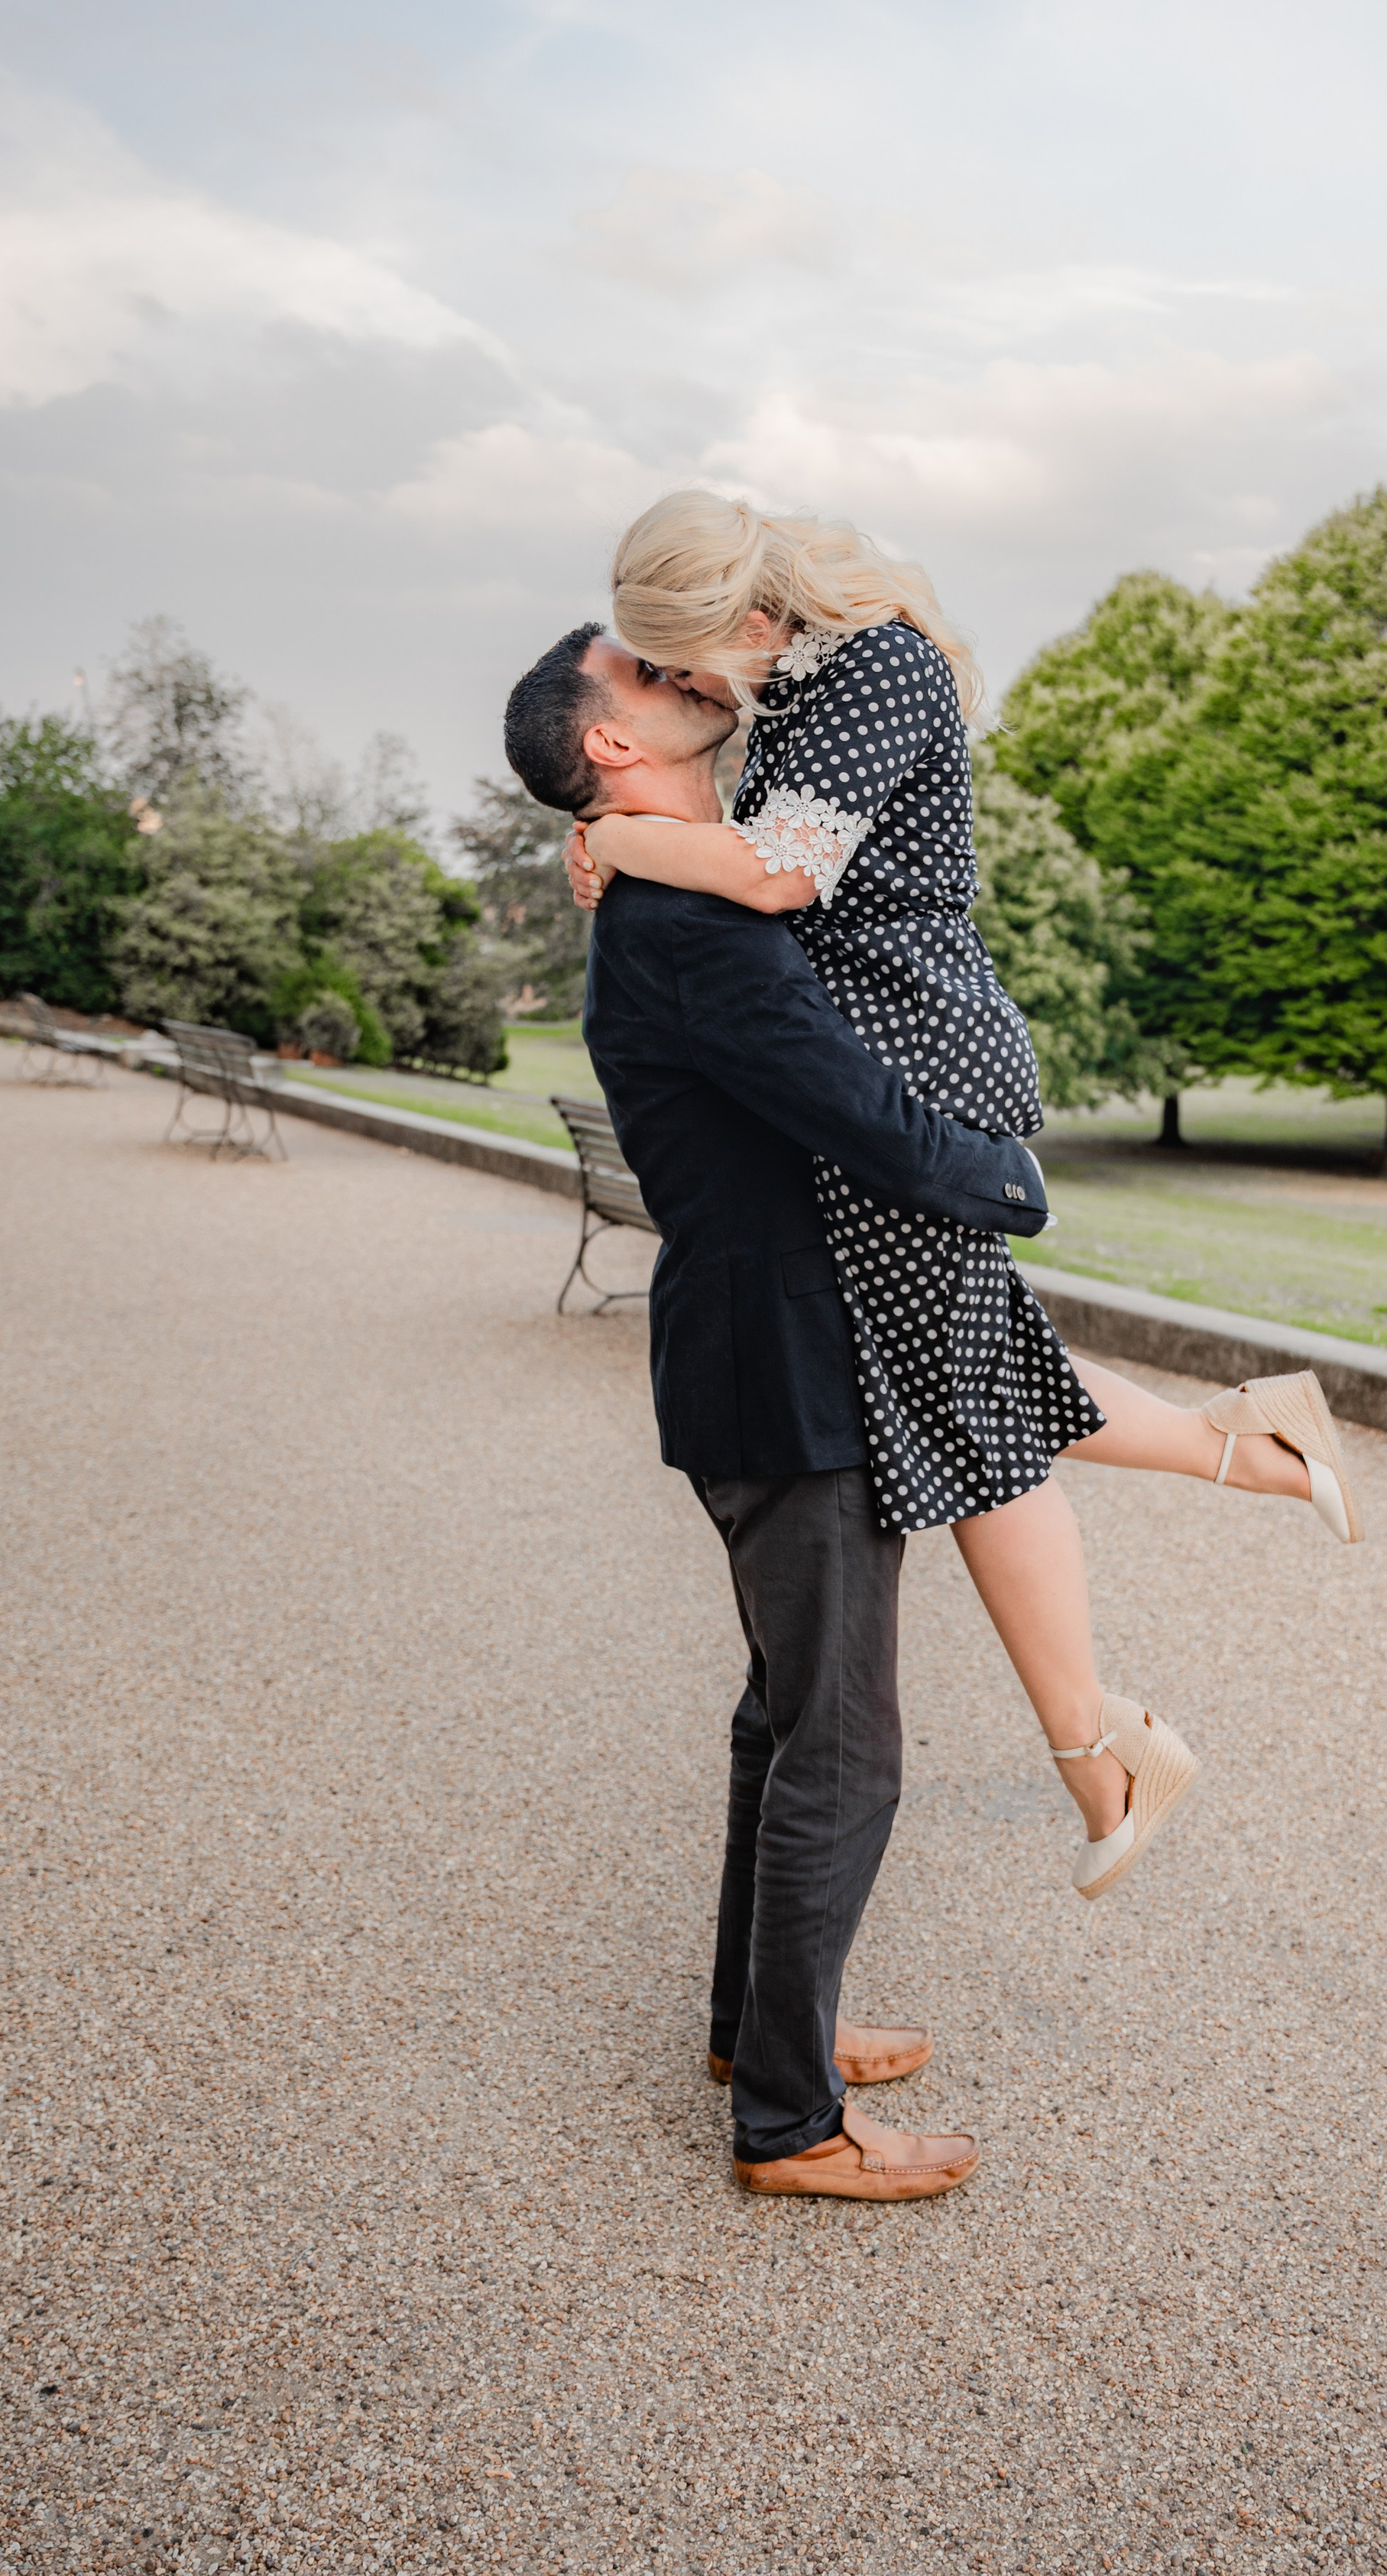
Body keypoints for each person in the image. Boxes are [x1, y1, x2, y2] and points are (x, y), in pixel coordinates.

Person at [566, 493, 1365, 1904]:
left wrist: (622, 842)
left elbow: (778, 872)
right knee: (975, 1373)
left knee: (970, 1408)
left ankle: (1102, 1739)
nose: (692, 687)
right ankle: (1230, 1475)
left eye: (691, 660)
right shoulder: (793, 677)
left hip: (920, 1059)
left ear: (747, 620)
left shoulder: (875, 662)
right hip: (874, 1063)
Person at [505, 627, 1054, 2202]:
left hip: (755, 1345)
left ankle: (760, 2036)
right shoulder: (682, 908)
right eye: (648, 675)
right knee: (845, 1742)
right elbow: (833, 1092)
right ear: (612, 747)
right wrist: (997, 1177)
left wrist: (613, 837)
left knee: (784, 1720)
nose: (688, 675)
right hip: (783, 1357)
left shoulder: (665, 873)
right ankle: (790, 2127)